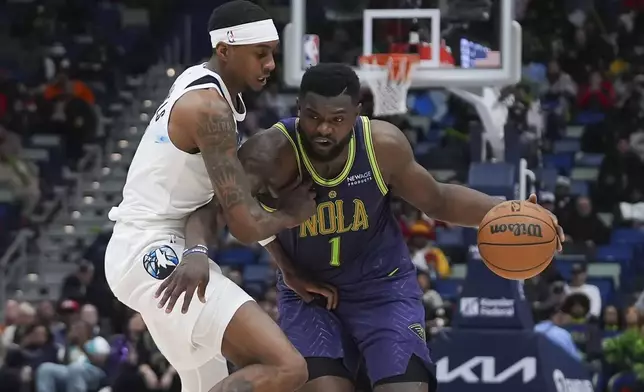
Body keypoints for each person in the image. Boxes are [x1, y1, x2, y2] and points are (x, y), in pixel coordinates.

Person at [176, 63, 566, 392]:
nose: (324, 130)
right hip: (311, 296)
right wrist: (196, 252)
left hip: (383, 289)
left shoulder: (381, 145)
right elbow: (215, 210)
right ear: (299, 108)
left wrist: (507, 209)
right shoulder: (269, 153)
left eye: (337, 119)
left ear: (357, 111)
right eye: (313, 118)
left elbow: (439, 200)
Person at [104, 1, 315, 391]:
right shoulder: (209, 109)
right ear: (225, 51)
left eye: (272, 53)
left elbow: (224, 200)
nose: (270, 64)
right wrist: (291, 213)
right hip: (150, 249)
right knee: (287, 367)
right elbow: (245, 224)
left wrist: (284, 264)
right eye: (260, 54)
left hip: (167, 245)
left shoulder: (201, 81)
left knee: (206, 383)